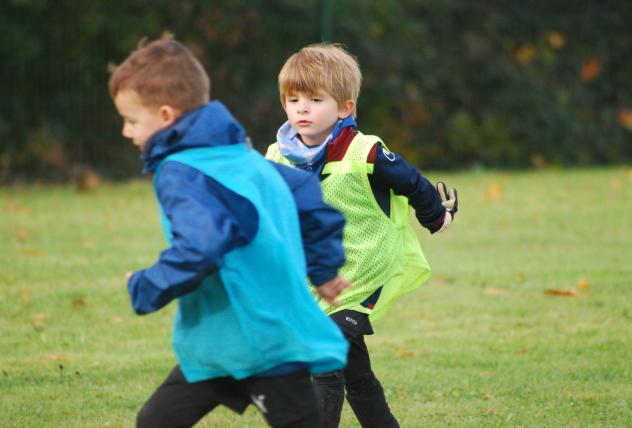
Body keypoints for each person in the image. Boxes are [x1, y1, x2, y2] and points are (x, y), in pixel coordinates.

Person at [109, 34, 352, 428]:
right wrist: (322, 269)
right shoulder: (240, 156)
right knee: (156, 421)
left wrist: (146, 285)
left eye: (132, 120)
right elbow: (306, 193)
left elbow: (202, 246)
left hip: (266, 343)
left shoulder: (181, 172)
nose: (126, 131)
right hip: (220, 344)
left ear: (167, 116)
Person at [265, 43, 459, 427]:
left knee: (326, 356)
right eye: (293, 99)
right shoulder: (277, 155)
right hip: (318, 276)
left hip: (365, 268)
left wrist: (437, 217)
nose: (301, 108)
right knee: (352, 366)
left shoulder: (364, 151)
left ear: (345, 108)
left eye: (315, 99)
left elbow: (412, 183)